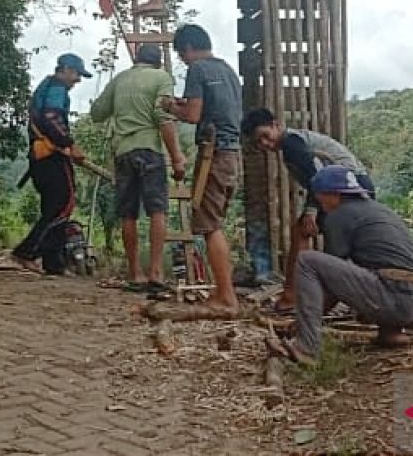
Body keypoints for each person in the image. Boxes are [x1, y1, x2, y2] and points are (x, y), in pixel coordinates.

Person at [269, 165, 413, 366]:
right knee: (380, 270)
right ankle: (392, 333)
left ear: (334, 194)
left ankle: (306, 347)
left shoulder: (339, 216)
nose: (319, 202)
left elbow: (328, 283)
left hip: (398, 302)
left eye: (319, 196)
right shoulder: (379, 210)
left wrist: (306, 322)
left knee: (308, 261)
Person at [240, 108, 375, 312]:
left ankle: (293, 297)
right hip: (349, 188)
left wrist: (312, 209)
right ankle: (298, 296)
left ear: (276, 125)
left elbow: (318, 177)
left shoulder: (291, 143)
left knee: (307, 232)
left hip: (350, 188)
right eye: (259, 143)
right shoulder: (292, 143)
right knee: (321, 236)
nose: (265, 145)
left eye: (265, 137)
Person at [89, 44, 186, 291]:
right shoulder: (162, 78)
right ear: (158, 62)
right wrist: (176, 157)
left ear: (137, 60)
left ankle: (134, 273)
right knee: (157, 210)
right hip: (149, 150)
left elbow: (97, 113)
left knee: (128, 213)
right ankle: (155, 272)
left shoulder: (121, 78)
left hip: (123, 152)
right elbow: (162, 117)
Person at [163, 24, 242, 310]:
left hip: (214, 153)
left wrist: (171, 108)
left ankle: (225, 295)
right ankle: (224, 291)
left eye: (181, 55)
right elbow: (212, 107)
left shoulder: (197, 70)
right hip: (232, 152)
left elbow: (194, 115)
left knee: (210, 225)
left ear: (187, 49)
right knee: (214, 220)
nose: (183, 60)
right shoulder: (226, 70)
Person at [12, 53, 92, 275]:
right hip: (51, 156)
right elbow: (51, 118)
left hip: (41, 159)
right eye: (76, 74)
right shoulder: (56, 88)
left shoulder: (47, 87)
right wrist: (70, 144)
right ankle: (26, 252)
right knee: (63, 205)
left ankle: (53, 263)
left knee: (52, 206)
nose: (77, 80)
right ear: (65, 69)